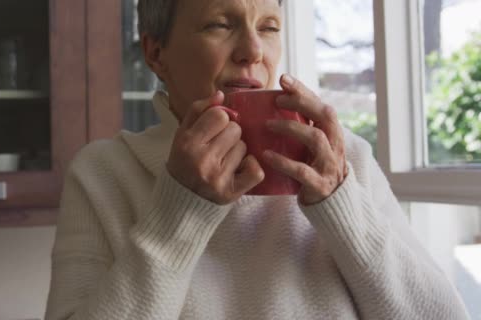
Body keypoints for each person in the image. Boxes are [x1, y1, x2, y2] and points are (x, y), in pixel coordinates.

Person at [45, 0, 470, 319]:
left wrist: (342, 204)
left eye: (268, 27)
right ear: (157, 53)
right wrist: (181, 209)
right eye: (219, 24)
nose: (253, 50)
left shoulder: (342, 159)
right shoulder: (103, 171)